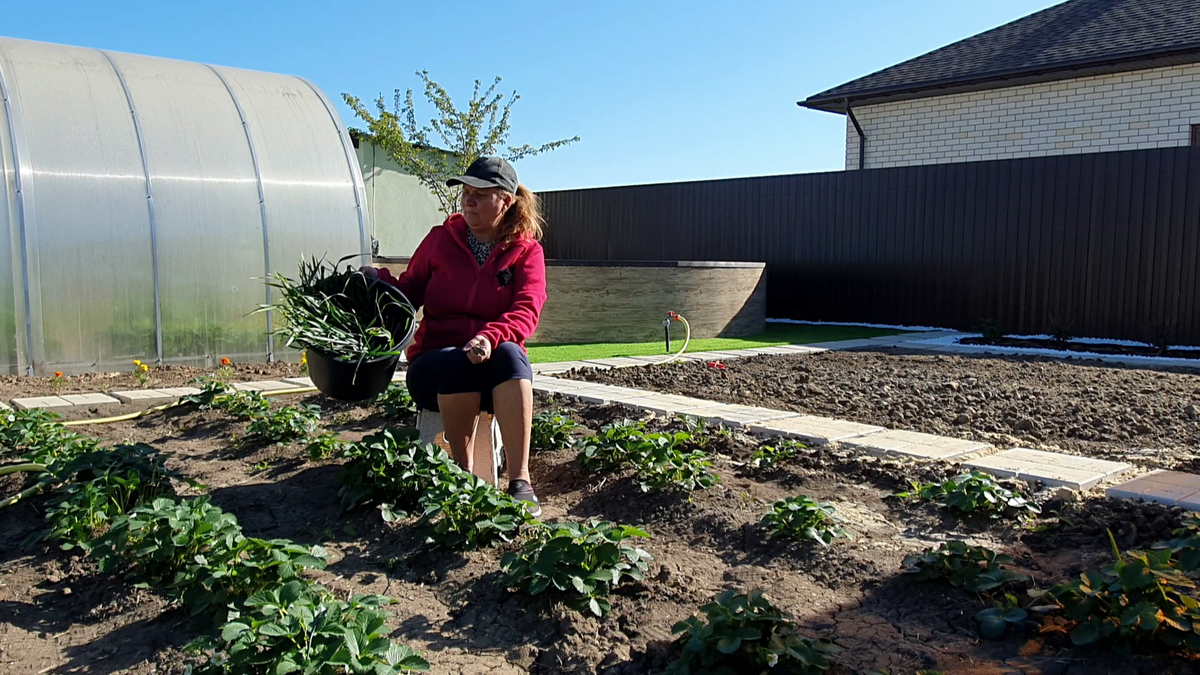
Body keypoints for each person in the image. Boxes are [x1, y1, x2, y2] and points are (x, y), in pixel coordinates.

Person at [363, 156, 547, 516]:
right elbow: (409, 292)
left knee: (512, 356)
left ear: (505, 201)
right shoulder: (439, 240)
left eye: (479, 195)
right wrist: (379, 281)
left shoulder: (526, 252)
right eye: (466, 193)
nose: (468, 201)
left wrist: (490, 338)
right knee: (455, 362)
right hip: (435, 367)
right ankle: (461, 478)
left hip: (494, 371)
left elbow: (526, 310)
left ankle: (519, 480)